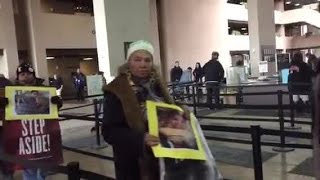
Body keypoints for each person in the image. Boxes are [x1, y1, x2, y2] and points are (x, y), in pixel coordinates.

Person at [102, 40, 221, 180]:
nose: (143, 64)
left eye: (147, 60)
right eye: (137, 59)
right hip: (135, 164)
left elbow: (166, 108)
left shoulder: (157, 85)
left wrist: (180, 110)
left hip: (165, 162)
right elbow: (110, 131)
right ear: (129, 62)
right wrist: (141, 139)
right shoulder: (117, 90)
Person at [0, 62, 62, 180]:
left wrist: (56, 103)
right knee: (28, 167)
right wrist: (4, 104)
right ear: (18, 76)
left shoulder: (44, 89)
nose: (25, 76)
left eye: (28, 74)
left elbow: (53, 109)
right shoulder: (11, 91)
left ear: (33, 75)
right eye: (22, 74)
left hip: (43, 132)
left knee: (44, 163)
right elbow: (7, 113)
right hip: (23, 134)